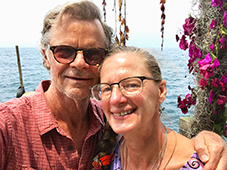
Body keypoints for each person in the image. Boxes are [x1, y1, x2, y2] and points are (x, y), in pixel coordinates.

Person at [0, 1, 226, 170]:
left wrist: (205, 141)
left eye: (92, 53)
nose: (79, 62)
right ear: (45, 55)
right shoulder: (9, 126)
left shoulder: (109, 120)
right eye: (64, 51)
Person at [90, 45, 227, 170]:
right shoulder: (108, 157)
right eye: (106, 89)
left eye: (131, 85)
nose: (115, 99)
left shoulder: (207, 165)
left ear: (161, 91)